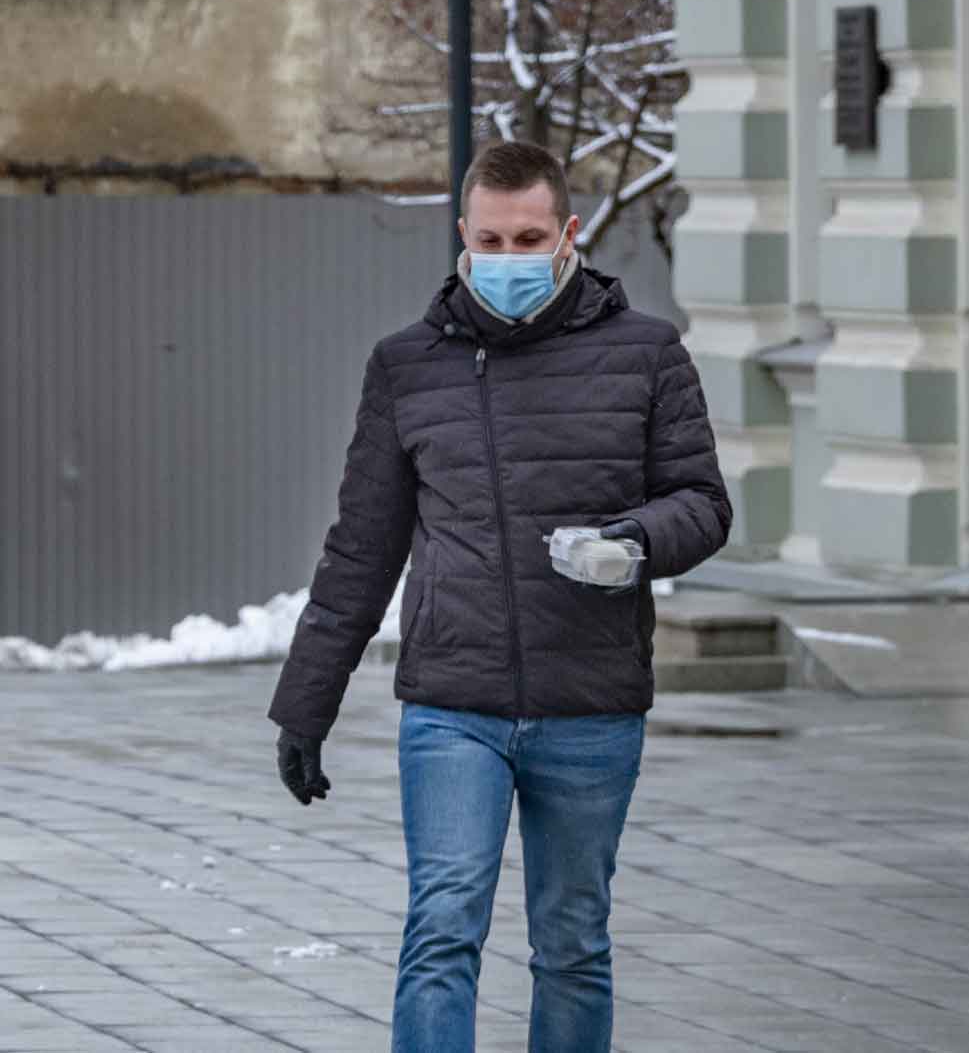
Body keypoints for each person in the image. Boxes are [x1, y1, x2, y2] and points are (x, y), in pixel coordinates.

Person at [266, 140, 733, 1052]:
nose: (509, 258)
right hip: (452, 703)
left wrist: (632, 543)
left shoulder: (646, 354)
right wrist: (305, 705)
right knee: (442, 930)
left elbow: (704, 503)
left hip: (590, 702)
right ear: (462, 237)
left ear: (568, 235)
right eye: (491, 239)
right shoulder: (408, 366)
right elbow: (362, 547)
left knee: (571, 943)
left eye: (529, 238)